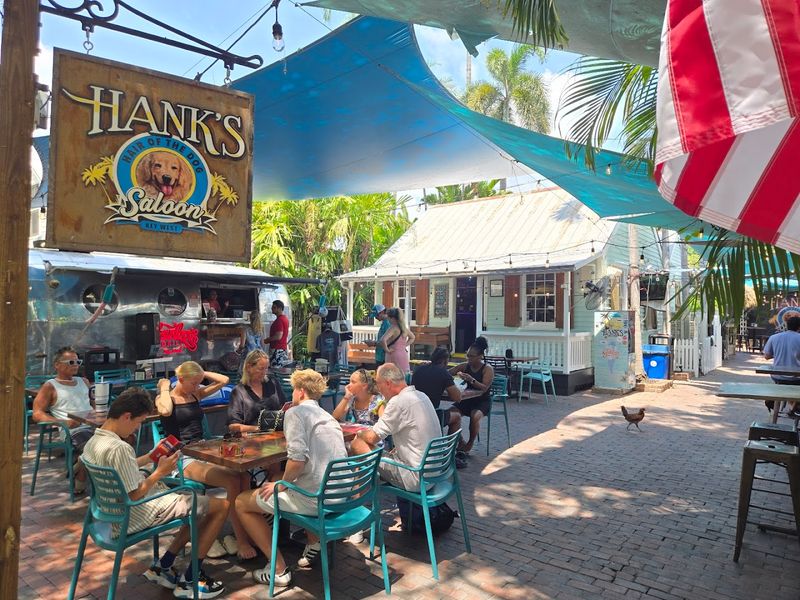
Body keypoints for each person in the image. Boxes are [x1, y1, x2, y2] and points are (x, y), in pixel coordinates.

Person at [82, 387, 228, 599]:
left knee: (198, 507)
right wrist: (160, 472)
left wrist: (151, 456)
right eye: (138, 422)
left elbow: (124, 467)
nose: (137, 428)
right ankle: (191, 579)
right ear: (126, 416)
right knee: (220, 506)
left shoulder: (95, 441)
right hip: (134, 514)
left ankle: (164, 566)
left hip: (110, 512)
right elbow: (134, 495)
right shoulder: (120, 448)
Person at [235, 369, 348, 588]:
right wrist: (282, 481)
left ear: (301, 391)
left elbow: (297, 460)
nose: (292, 394)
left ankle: (278, 569)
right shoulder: (327, 416)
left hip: (316, 500)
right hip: (340, 494)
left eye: (294, 390)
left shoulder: (295, 413)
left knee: (241, 502)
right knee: (277, 476)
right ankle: (309, 540)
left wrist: (282, 485)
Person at [157, 362, 256, 560]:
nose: (197, 387)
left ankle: (241, 532)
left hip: (204, 450)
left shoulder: (195, 394)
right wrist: (164, 387)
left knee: (244, 476)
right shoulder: (165, 398)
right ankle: (241, 540)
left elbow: (224, 380)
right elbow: (166, 410)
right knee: (232, 481)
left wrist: (201, 373)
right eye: (193, 383)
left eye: (199, 383)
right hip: (181, 456)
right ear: (181, 379)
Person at [350, 363, 441, 491]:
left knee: (358, 444)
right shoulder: (422, 395)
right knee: (382, 452)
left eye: (378, 383)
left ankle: (358, 496)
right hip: (435, 472)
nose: (377, 388)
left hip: (416, 477)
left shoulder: (398, 401)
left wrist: (360, 433)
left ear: (388, 383)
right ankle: (362, 490)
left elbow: (372, 438)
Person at [32, 346, 94, 493]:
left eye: (78, 361)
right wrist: (64, 422)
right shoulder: (50, 386)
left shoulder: (84, 381)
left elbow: (93, 404)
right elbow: (37, 414)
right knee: (95, 446)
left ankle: (79, 466)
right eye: (71, 362)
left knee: (127, 438)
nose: (76, 365)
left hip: (93, 425)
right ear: (57, 365)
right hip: (73, 430)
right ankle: (82, 478)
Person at [449, 337, 494, 454]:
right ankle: (460, 442)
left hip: (482, 401)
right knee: (450, 414)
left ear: (480, 356)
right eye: (467, 355)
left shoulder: (487, 369)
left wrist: (471, 380)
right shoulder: (465, 366)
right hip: (466, 400)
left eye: (472, 356)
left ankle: (470, 443)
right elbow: (448, 373)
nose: (469, 358)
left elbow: (484, 388)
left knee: (474, 416)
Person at [227, 350, 287, 434]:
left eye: (266, 368)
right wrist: (259, 429)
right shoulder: (239, 392)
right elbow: (233, 426)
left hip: (277, 434)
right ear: (249, 367)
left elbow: (284, 408)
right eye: (261, 369)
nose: (264, 372)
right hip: (252, 437)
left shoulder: (273, 383)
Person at [411, 346, 463, 437]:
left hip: (414, 413)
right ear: (445, 361)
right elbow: (457, 398)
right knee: (457, 416)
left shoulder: (418, 369)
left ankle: (461, 442)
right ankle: (449, 445)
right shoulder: (443, 373)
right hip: (431, 415)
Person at [764, 315, 800, 416]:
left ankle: (791, 406)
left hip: (778, 377)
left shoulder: (774, 337)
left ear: (787, 325)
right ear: (799, 327)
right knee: (795, 386)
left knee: (787, 385)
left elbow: (767, 356)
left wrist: (779, 353)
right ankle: (794, 407)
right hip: (797, 378)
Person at [379, 307, 416, 374]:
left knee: (392, 374)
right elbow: (412, 337)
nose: (388, 320)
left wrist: (387, 350)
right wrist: (404, 345)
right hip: (403, 353)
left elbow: (382, 340)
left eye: (389, 318)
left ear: (392, 318)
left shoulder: (393, 328)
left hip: (393, 353)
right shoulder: (404, 328)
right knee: (403, 373)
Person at [266, 299, 290, 367]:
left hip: (277, 349)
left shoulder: (279, 320)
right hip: (282, 348)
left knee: (275, 369)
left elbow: (278, 336)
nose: (272, 309)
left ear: (280, 308)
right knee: (280, 369)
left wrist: (268, 340)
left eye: (274, 307)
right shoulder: (285, 319)